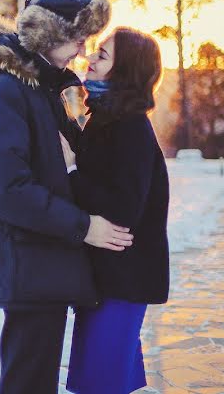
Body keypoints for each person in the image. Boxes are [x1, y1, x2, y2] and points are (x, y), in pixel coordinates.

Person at [0, 0, 134, 394]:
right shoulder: (3, 88)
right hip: (25, 262)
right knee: (29, 379)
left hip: (42, 258)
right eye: (78, 38)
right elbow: (4, 188)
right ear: (49, 34)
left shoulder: (47, 82)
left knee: (36, 376)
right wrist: (82, 225)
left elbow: (61, 156)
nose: (83, 49)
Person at [64, 27, 170, 394]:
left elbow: (122, 209)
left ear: (124, 70)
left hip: (123, 280)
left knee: (97, 382)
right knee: (106, 378)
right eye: (95, 51)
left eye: (103, 55)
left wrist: (72, 170)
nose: (90, 58)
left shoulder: (130, 127)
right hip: (108, 276)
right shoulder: (107, 118)